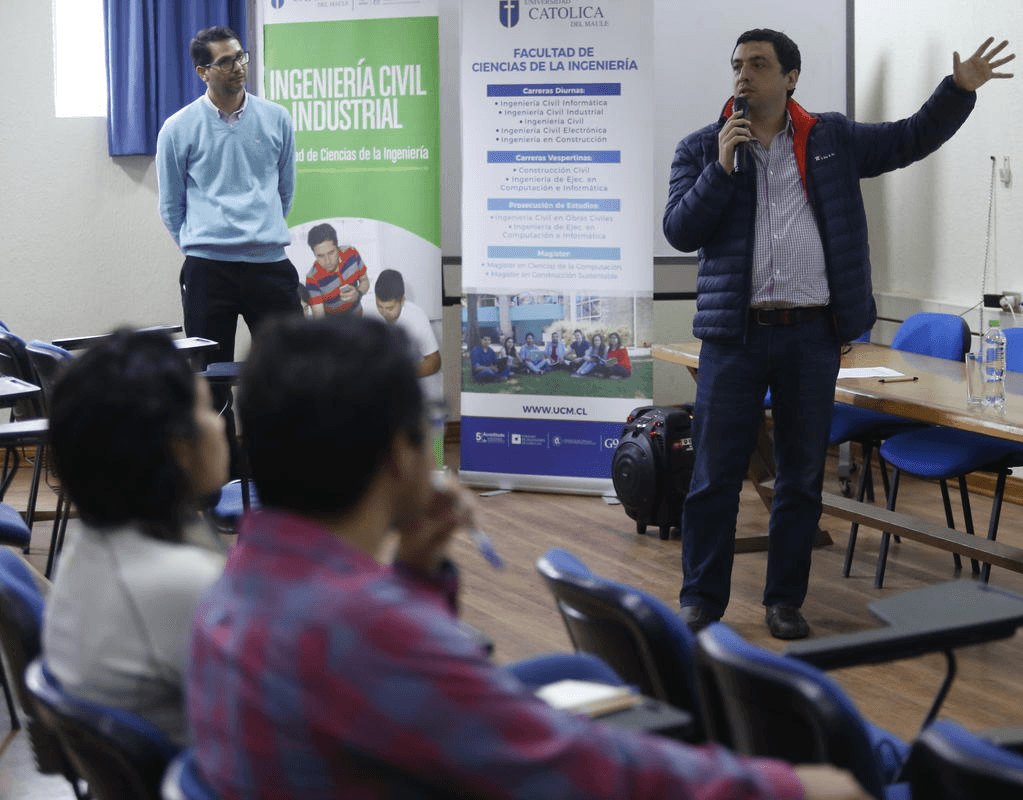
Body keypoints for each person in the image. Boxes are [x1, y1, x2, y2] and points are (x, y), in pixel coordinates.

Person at [186, 314, 868, 800]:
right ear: (400, 456)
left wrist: (417, 573)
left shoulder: (233, 586)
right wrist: (782, 788)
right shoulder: (365, 632)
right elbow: (570, 768)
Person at [663, 29, 1013, 639]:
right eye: (738, 65)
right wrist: (720, 168)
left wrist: (957, 91)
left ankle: (784, 601)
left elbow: (909, 138)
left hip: (810, 336)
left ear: (790, 77)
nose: (744, 75)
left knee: (801, 477)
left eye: (759, 64)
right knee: (714, 477)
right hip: (734, 338)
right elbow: (679, 231)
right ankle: (701, 600)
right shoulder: (701, 148)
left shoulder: (831, 139)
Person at [42, 330, 228, 746]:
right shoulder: (182, 583)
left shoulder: (91, 545)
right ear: (178, 448)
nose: (218, 424)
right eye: (205, 410)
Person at [157, 25, 302, 471]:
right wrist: (203, 245)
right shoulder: (178, 128)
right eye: (226, 61)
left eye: (241, 57)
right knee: (209, 379)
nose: (239, 67)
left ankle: (283, 469)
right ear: (203, 71)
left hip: (270, 266)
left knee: (290, 372)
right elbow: (171, 206)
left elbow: (284, 191)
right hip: (208, 270)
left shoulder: (276, 118)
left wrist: (259, 231)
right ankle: (224, 475)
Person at [374, 268, 442, 401]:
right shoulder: (368, 310)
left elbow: (435, 362)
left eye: (390, 308)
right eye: (380, 306)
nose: (384, 312)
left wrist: (402, 373)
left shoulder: (416, 315)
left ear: (402, 300)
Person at [304, 223, 370, 317]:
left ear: (337, 248)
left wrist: (358, 293)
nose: (327, 261)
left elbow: (365, 281)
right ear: (314, 254)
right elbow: (319, 317)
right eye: (321, 256)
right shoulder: (312, 278)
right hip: (333, 325)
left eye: (331, 253)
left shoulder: (352, 253)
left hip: (359, 318)